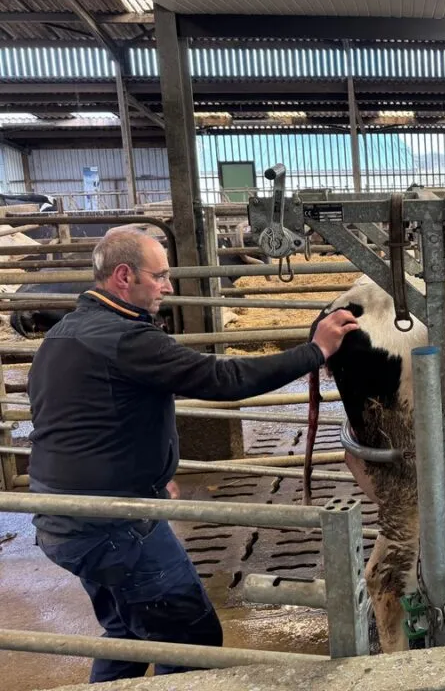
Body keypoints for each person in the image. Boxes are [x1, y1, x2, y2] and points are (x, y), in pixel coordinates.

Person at [27, 226, 360, 683]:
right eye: (160, 275)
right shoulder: (127, 340)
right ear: (124, 276)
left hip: (63, 514)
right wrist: (315, 350)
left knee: (128, 630)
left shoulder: (68, 331)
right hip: (113, 525)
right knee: (193, 640)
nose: (167, 286)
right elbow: (223, 380)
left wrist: (151, 472)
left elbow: (73, 418)